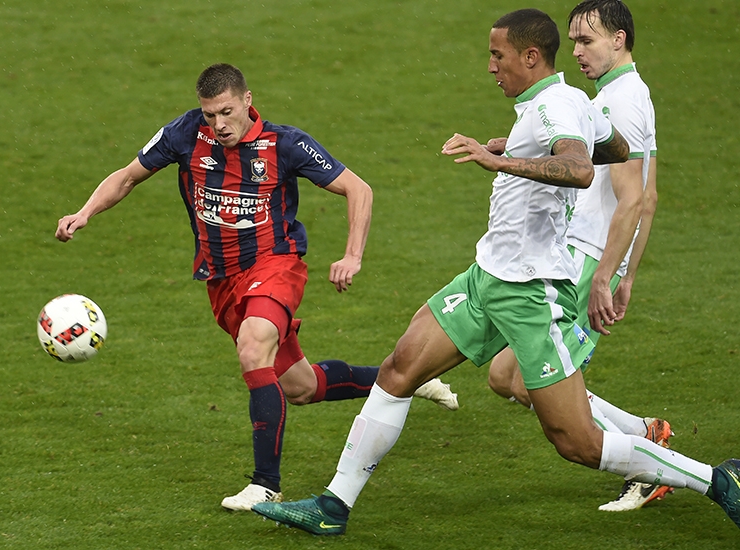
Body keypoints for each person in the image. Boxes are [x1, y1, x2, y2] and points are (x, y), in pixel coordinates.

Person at [251, 10, 740, 535]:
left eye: (497, 55)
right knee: (399, 369)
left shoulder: (555, 104)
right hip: (485, 278)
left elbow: (577, 168)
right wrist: (521, 148)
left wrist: (499, 162)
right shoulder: (562, 101)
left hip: (529, 292)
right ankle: (332, 508)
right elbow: (615, 148)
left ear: (530, 57)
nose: (491, 66)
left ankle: (714, 481)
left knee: (576, 440)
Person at [55, 63, 459, 512]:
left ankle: (265, 484)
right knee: (300, 387)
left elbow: (358, 189)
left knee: (253, 348)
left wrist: (352, 255)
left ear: (247, 100)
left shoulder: (285, 143)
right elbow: (128, 175)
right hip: (222, 280)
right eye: (210, 115)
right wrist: (86, 211)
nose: (219, 125)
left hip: (275, 266)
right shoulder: (185, 133)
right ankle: (406, 380)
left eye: (226, 112)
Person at [487, 0, 670, 511]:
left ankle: (649, 451)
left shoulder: (619, 102)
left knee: (521, 380)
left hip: (585, 258)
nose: (576, 52)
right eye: (573, 41)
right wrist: (629, 271)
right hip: (584, 255)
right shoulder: (627, 94)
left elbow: (633, 196)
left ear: (620, 40)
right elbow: (649, 194)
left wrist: (606, 276)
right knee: (506, 375)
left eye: (587, 41)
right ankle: (648, 435)